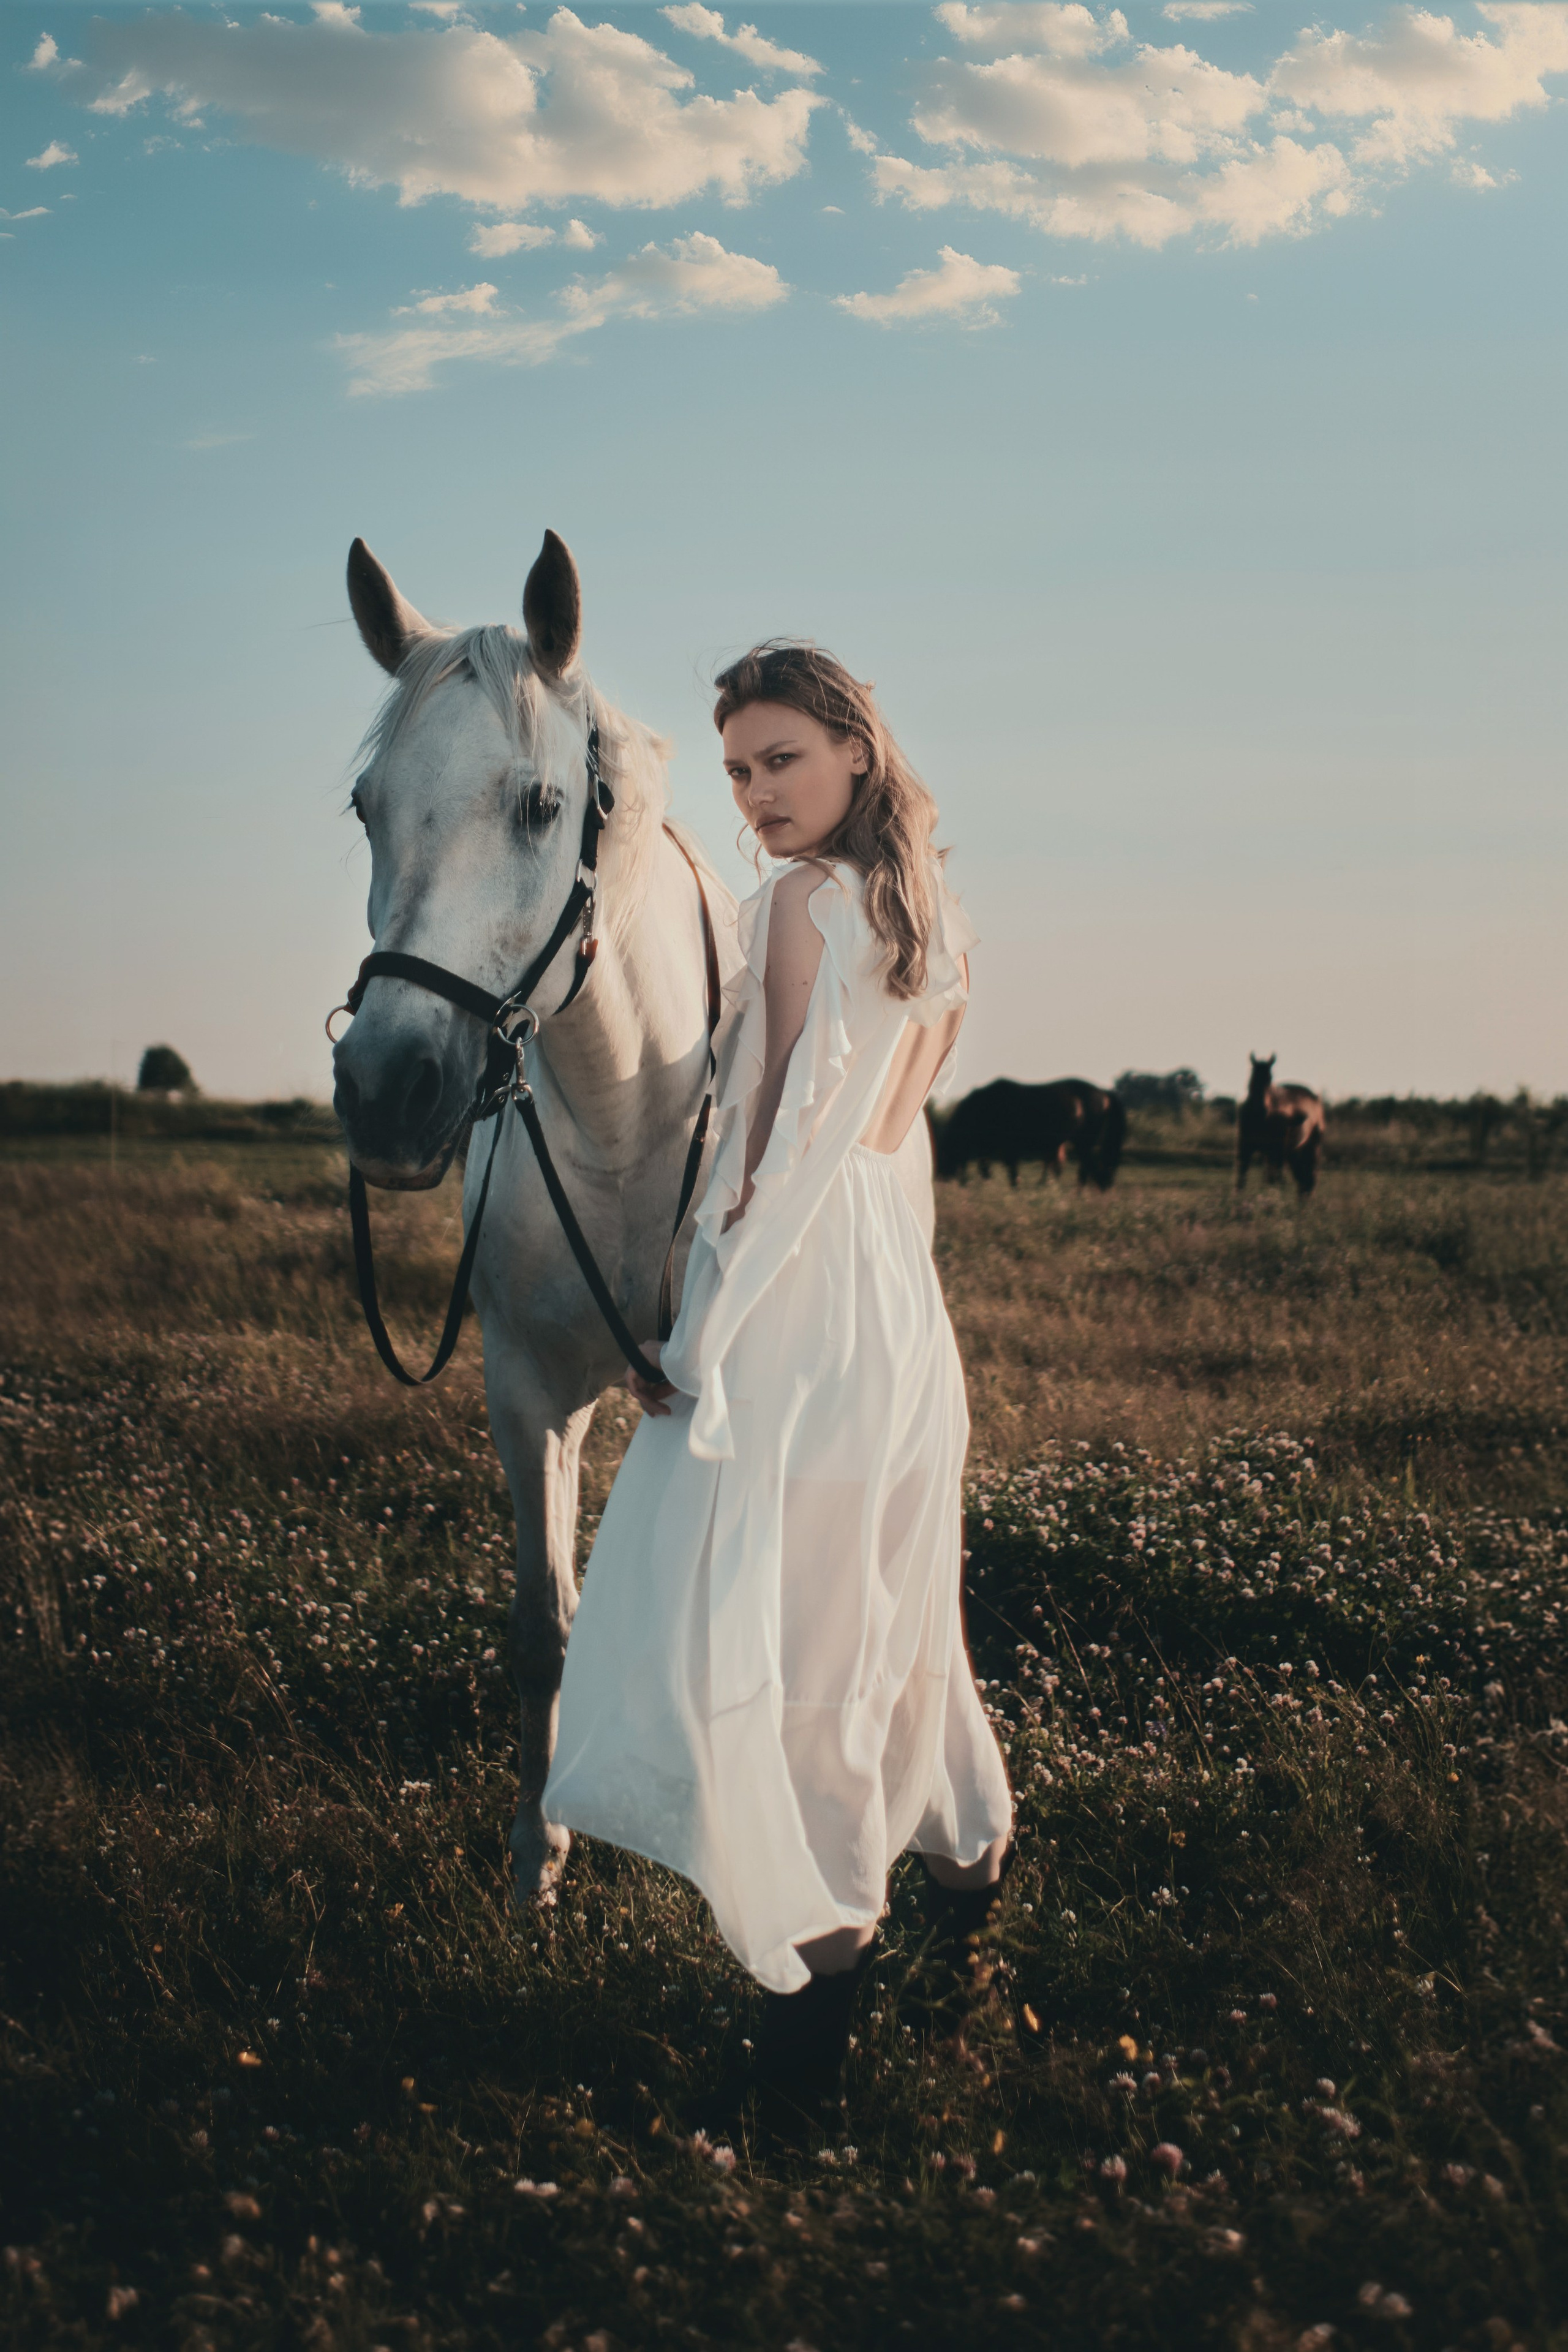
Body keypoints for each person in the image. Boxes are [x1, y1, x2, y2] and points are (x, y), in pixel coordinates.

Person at [542, 641, 1013, 2146]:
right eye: (737, 771)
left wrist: (693, 1326)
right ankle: (967, 1885)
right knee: (886, 1618)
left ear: (853, 751)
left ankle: (807, 2036)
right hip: (893, 1310)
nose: (754, 797)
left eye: (781, 762)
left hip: (802, 1311)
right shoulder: (926, 905)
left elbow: (769, 1151)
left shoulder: (801, 907)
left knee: (784, 1635)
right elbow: (886, 1144)